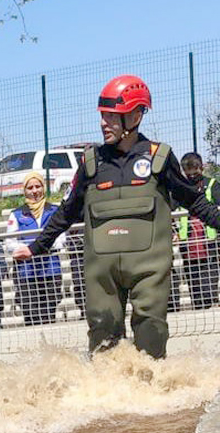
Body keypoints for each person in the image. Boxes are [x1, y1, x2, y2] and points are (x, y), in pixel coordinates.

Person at [13, 75, 220, 358]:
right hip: (103, 275)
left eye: (112, 116)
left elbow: (195, 201)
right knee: (102, 339)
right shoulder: (91, 162)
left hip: (150, 268)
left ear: (135, 116)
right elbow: (67, 211)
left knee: (151, 332)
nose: (103, 123)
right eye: (103, 116)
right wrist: (36, 246)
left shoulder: (159, 157)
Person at [4, 171, 66, 326]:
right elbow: (10, 243)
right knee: (31, 313)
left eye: (38, 186)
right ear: (24, 190)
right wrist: (30, 249)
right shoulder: (16, 214)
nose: (34, 191)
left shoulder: (55, 210)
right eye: (30, 187)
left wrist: (36, 248)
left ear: (43, 188)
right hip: (26, 272)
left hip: (51, 269)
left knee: (49, 311)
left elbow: (61, 239)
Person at [178, 152, 219, 309]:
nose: (191, 178)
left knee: (208, 291)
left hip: (209, 246)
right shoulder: (180, 188)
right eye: (188, 175)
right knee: (196, 293)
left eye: (194, 174)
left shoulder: (212, 185)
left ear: (201, 168)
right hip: (188, 248)